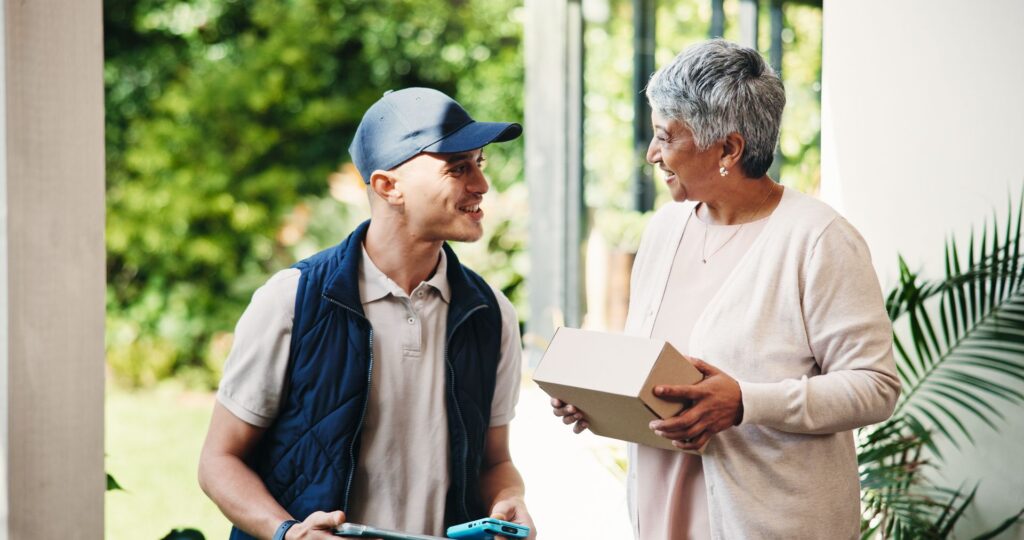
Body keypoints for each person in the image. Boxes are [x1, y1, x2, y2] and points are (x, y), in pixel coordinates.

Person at [552, 39, 901, 539]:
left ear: (729, 149)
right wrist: (594, 397)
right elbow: (653, 374)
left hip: (773, 524)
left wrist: (745, 402)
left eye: (665, 137)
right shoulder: (663, 230)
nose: (652, 154)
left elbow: (875, 387)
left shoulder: (818, 240)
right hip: (661, 515)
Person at [199, 87, 535, 540]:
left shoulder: (491, 313)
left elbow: (495, 461)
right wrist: (287, 532)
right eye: (458, 168)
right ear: (388, 186)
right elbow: (219, 462)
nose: (481, 184)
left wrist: (508, 501)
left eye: (480, 162)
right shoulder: (291, 301)